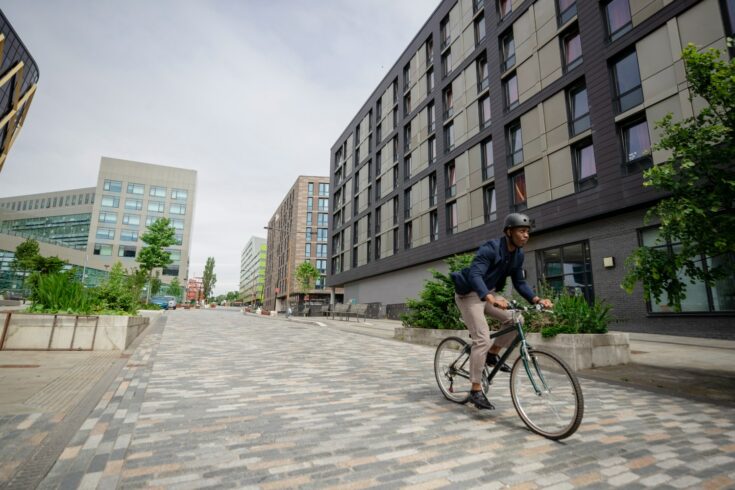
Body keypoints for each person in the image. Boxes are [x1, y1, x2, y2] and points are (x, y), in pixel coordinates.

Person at [450, 213, 553, 410]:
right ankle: (475, 390)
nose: (526, 235)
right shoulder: (490, 249)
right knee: (482, 338)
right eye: (521, 231)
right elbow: (475, 274)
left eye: (527, 232)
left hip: (488, 293)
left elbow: (520, 282)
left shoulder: (518, 254)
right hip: (470, 294)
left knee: (517, 320)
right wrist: (488, 296)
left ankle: (492, 355)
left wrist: (537, 299)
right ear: (509, 232)